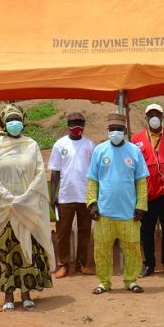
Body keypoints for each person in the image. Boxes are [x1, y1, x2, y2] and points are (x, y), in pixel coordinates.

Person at [0, 104, 55, 310]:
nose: (15, 123)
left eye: (18, 119)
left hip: (27, 205)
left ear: (23, 121)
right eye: (11, 119)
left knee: (26, 249)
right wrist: (5, 195)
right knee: (5, 249)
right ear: (4, 123)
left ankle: (26, 293)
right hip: (3, 208)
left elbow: (40, 174)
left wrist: (26, 196)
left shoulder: (31, 145)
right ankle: (7, 296)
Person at [88, 113, 149, 294]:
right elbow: (92, 180)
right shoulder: (99, 150)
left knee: (132, 248)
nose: (115, 132)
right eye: (112, 129)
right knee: (102, 249)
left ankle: (131, 280)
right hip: (104, 212)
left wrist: (141, 205)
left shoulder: (134, 151)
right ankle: (103, 282)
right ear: (107, 131)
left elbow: (141, 181)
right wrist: (92, 203)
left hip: (129, 212)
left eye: (119, 129)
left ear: (125, 131)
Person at [131, 103, 164, 278]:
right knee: (147, 231)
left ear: (162, 117)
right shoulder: (136, 139)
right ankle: (149, 264)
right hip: (147, 192)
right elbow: (132, 167)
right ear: (146, 118)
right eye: (151, 114)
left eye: (157, 114)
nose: (154, 117)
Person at [48, 111, 95, 278]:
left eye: (80, 123)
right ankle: (63, 265)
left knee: (84, 232)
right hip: (65, 196)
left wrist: (94, 196)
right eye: (74, 122)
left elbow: (94, 172)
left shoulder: (90, 145)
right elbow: (55, 171)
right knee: (62, 233)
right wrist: (53, 194)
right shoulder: (60, 145)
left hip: (85, 196)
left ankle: (82, 264)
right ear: (68, 125)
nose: (77, 126)